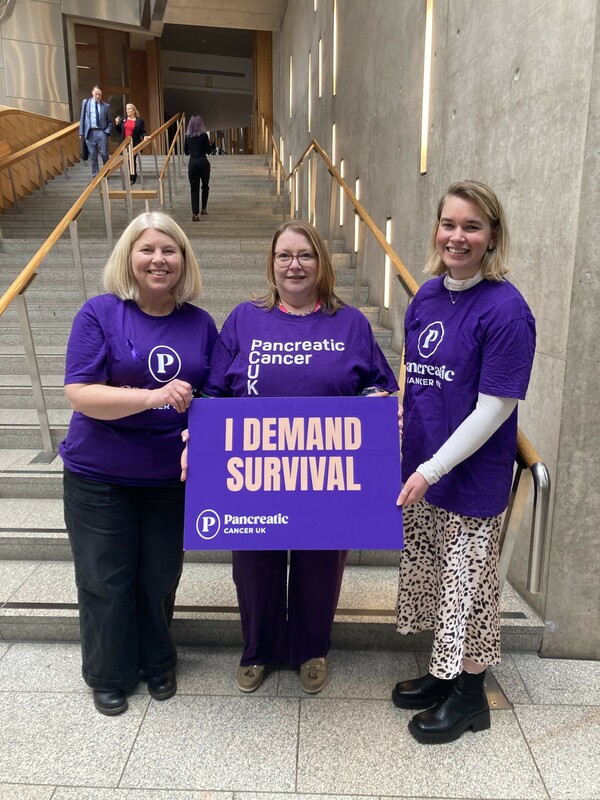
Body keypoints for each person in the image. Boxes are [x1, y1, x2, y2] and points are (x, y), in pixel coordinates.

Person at [202, 219, 399, 694]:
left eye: (305, 255)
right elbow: (212, 392)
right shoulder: (243, 320)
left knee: (319, 566)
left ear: (321, 264)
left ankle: (312, 648)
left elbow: (379, 383)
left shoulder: (349, 323)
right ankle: (258, 650)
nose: (294, 264)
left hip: (326, 472)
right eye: (284, 255)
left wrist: (377, 403)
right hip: (254, 470)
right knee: (254, 565)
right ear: (271, 265)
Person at [392, 181, 536, 744]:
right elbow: (417, 369)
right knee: (435, 576)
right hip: (425, 469)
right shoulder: (428, 293)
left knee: (470, 589)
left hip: (468, 475)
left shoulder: (506, 310)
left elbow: (495, 409)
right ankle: (441, 674)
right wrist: (402, 416)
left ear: (492, 236)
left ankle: (470, 697)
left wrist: (434, 468)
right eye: (449, 224)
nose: (458, 236)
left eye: (471, 227)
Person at [60, 211, 218, 716]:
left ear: (183, 260)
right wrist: (152, 398)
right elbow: (79, 393)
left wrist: (203, 436)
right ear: (129, 257)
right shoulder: (100, 313)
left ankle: (157, 661)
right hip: (100, 473)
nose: (158, 259)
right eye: (147, 249)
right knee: (105, 579)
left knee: (158, 577)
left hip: (169, 477)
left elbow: (214, 393)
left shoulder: (200, 323)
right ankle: (109, 671)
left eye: (169, 250)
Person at [79, 85, 112, 179]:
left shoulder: (106, 106)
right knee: (93, 155)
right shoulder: (86, 103)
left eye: (99, 95)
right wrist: (81, 132)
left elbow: (109, 121)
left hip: (101, 131)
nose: (97, 96)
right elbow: (82, 118)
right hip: (89, 132)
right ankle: (95, 174)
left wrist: (107, 131)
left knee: (104, 153)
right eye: (96, 94)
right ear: (92, 93)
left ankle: (106, 171)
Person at [184, 115, 211, 220]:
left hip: (193, 162)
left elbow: (186, 152)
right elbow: (208, 150)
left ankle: (195, 214)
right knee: (205, 186)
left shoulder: (187, 136)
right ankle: (203, 209)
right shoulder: (204, 136)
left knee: (194, 189)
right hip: (203, 162)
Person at [115, 103, 149, 184]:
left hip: (134, 144)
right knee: (127, 160)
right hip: (124, 143)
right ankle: (129, 175)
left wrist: (145, 136)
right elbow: (120, 131)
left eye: (129, 109)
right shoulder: (124, 119)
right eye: (127, 109)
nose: (127, 111)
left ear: (133, 110)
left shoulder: (139, 121)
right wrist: (116, 124)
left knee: (132, 160)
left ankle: (132, 177)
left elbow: (142, 131)